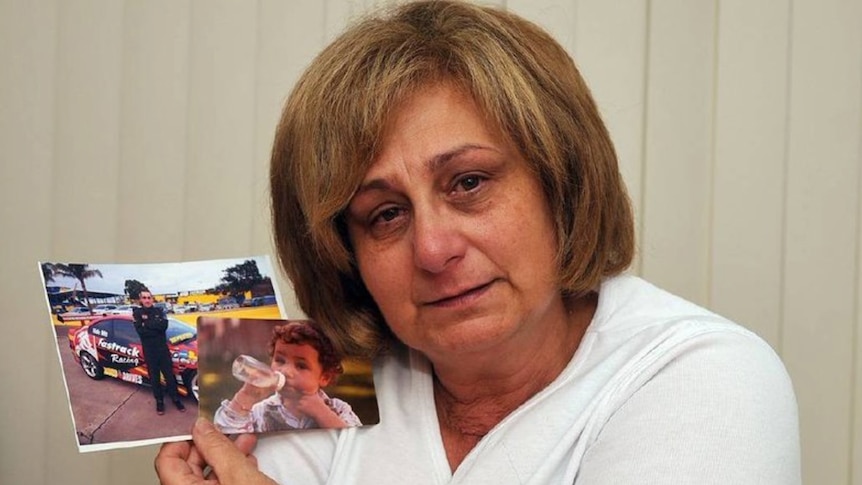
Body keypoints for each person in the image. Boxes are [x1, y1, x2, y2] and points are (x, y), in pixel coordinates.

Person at [155, 1, 801, 483]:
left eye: (468, 182)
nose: (433, 249)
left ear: (561, 181)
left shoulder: (707, 375)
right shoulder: (327, 379)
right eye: (384, 215)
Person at [213, 320, 361, 432]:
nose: (285, 371)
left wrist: (323, 414)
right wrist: (245, 397)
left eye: (301, 366)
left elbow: (356, 444)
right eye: (280, 360)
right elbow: (225, 432)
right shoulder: (261, 411)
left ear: (324, 377)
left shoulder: (337, 409)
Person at [133, 289, 185, 415]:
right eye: (144, 298)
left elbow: (164, 326)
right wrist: (155, 325)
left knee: (169, 376)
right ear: (140, 300)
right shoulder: (137, 313)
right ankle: (159, 402)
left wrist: (147, 324)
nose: (147, 300)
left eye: (149, 297)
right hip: (150, 351)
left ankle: (175, 399)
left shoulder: (159, 311)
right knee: (154, 378)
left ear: (152, 299)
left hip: (163, 350)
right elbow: (141, 332)